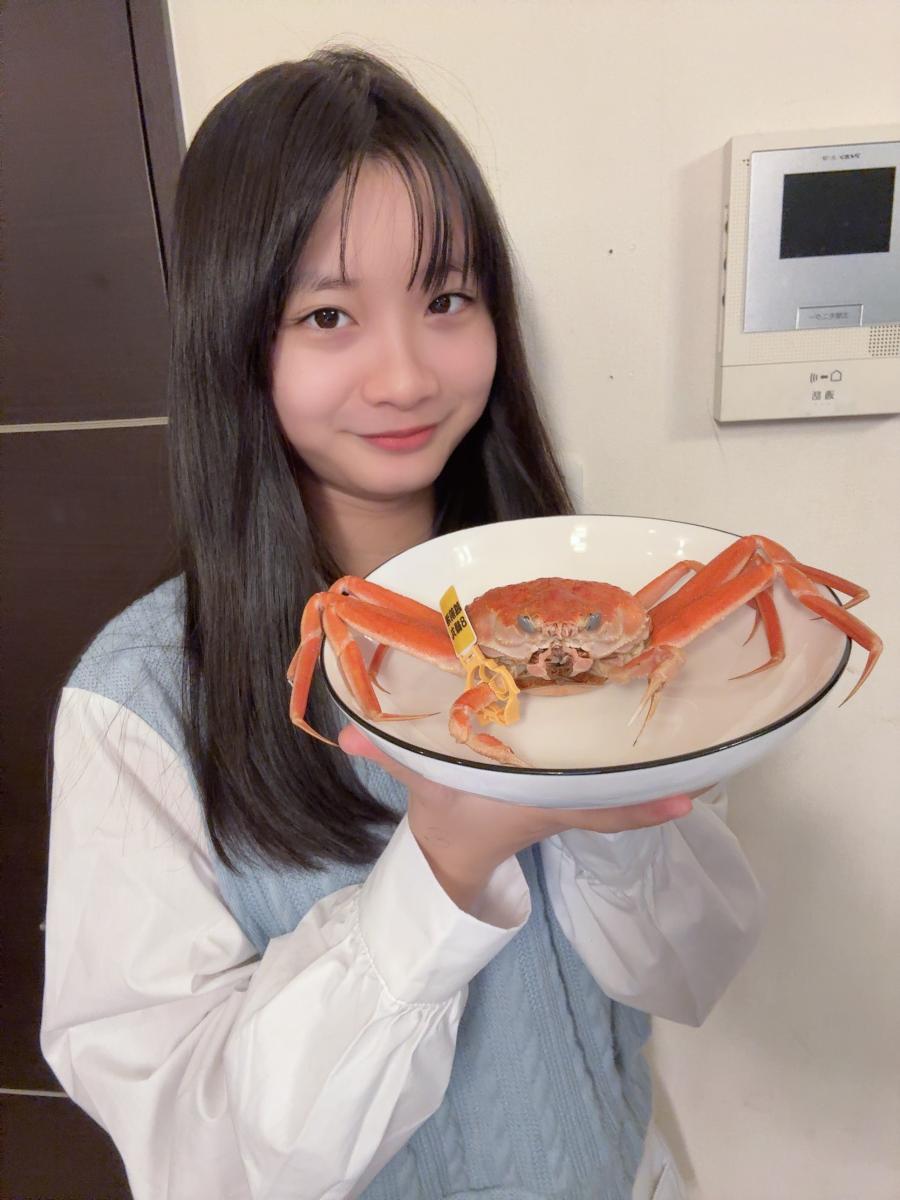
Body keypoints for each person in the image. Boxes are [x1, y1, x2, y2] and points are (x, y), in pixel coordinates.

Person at [41, 47, 764, 1200]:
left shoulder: (598, 603)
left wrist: (622, 820)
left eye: (446, 300)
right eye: (329, 314)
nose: (406, 376)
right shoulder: (140, 705)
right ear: (235, 337)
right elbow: (196, 1157)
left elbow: (688, 975)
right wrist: (444, 864)